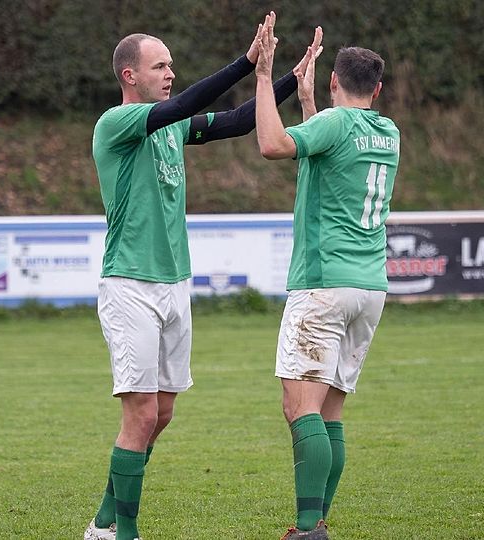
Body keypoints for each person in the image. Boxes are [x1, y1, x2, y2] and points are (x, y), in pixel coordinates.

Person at [85, 12, 316, 540]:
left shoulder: (170, 129)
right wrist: (246, 61)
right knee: (140, 417)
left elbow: (233, 121)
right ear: (129, 75)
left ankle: (103, 520)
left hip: (174, 285)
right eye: (159, 65)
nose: (170, 73)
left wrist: (287, 76)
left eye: (171, 64)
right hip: (131, 287)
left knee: (160, 416)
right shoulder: (116, 124)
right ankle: (124, 534)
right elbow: (186, 104)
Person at [254, 22, 401, 540]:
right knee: (331, 410)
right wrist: (312, 101)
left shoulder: (336, 124)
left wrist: (266, 75)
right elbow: (329, 149)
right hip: (369, 288)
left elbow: (273, 145)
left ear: (337, 81)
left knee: (300, 407)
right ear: (377, 89)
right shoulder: (387, 132)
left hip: (323, 284)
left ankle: (306, 528)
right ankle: (317, 522)